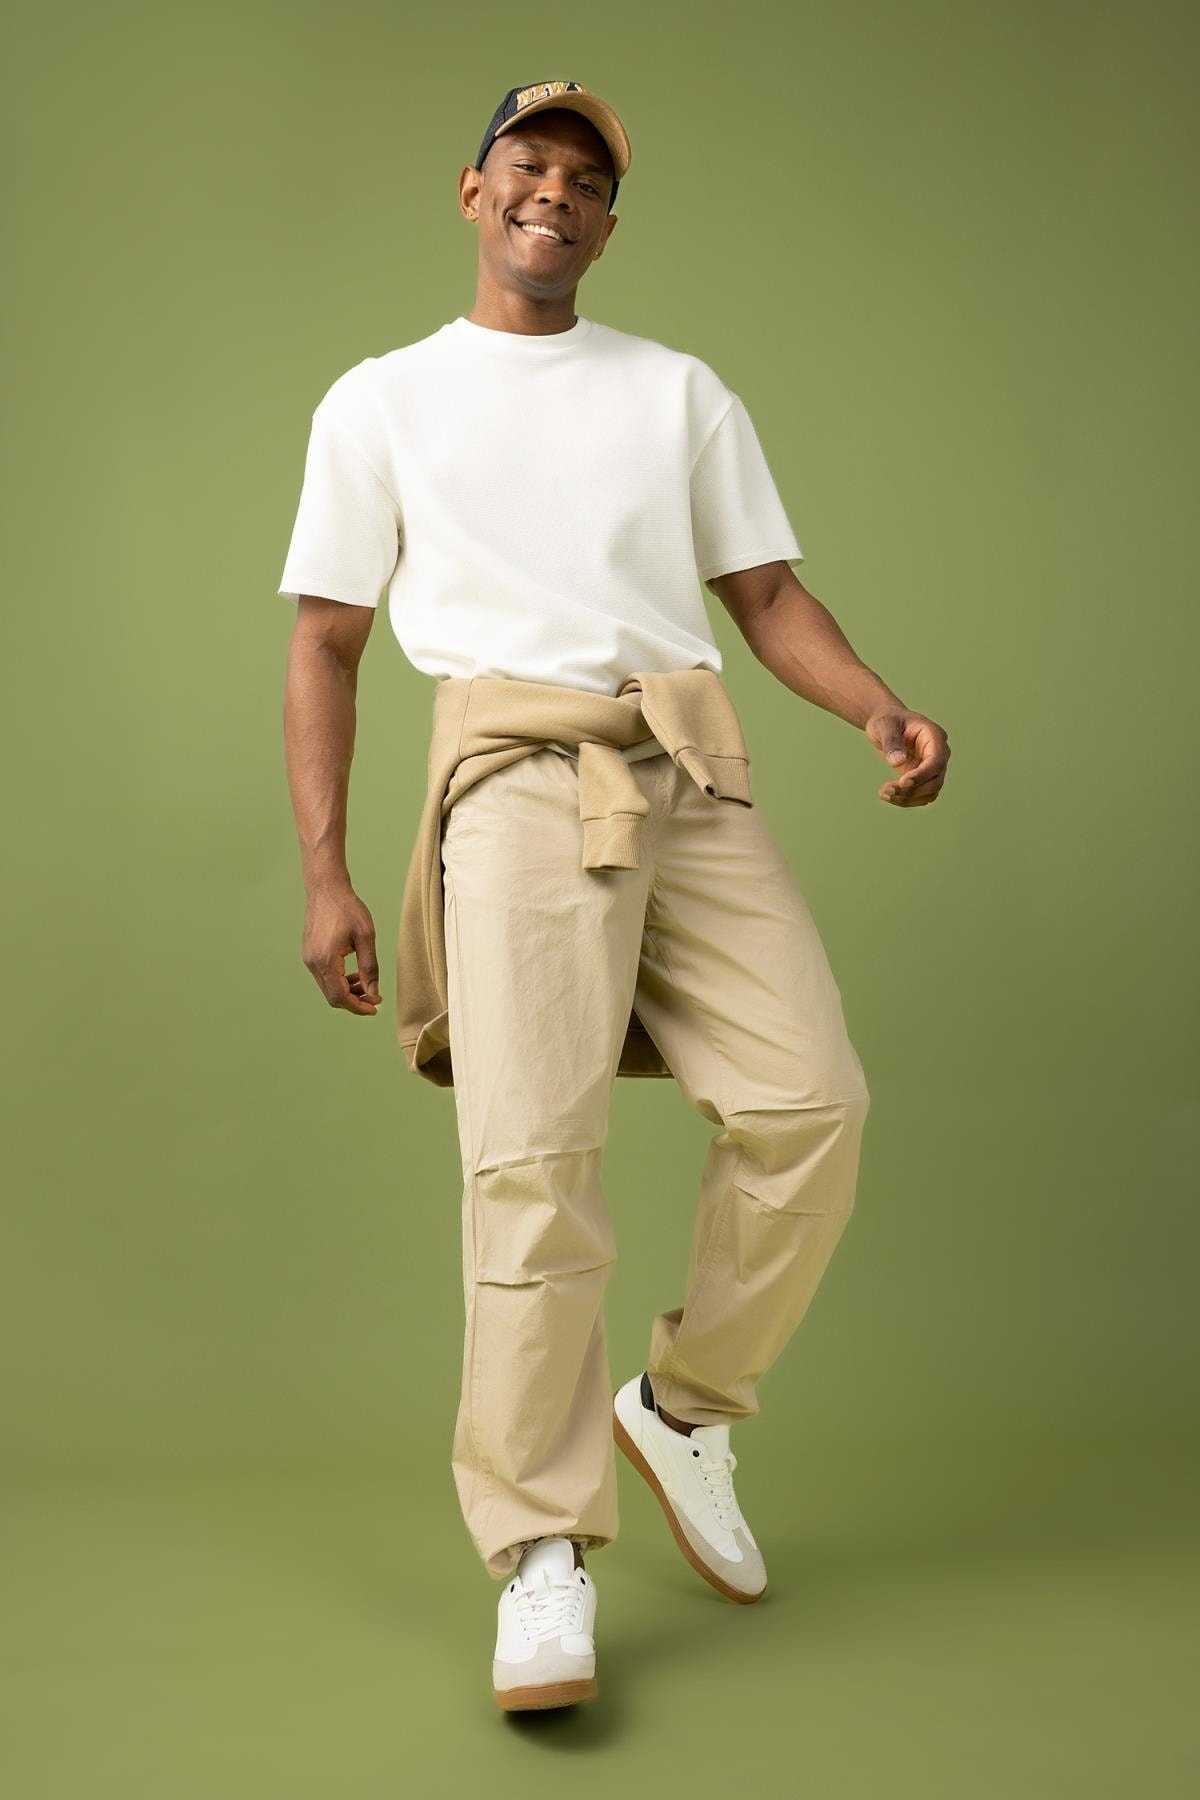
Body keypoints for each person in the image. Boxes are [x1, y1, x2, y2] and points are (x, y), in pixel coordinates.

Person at [277, 79, 951, 1715]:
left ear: (608, 222)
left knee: (812, 1106)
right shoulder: (383, 401)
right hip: (511, 772)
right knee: (533, 1168)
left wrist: (874, 706)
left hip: (685, 758)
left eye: (585, 181)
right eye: (529, 166)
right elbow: (325, 640)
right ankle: (539, 1550)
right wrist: (326, 870)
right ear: (474, 191)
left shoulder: (676, 392)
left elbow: (764, 594)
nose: (554, 195)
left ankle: (686, 1406)